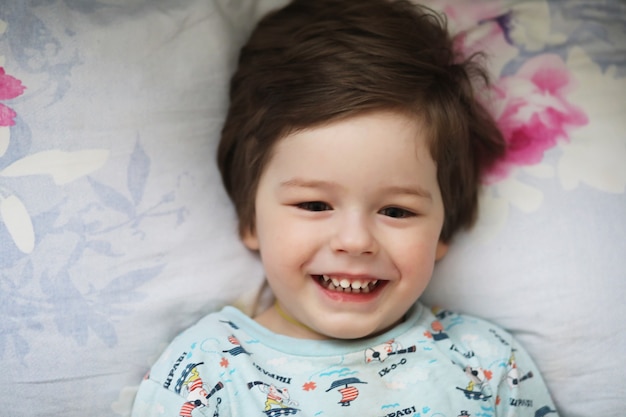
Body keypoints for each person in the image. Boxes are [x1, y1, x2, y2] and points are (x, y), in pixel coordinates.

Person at [131, 1, 559, 416]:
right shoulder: (204, 373)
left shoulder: (485, 361)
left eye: (396, 211)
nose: (355, 241)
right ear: (250, 219)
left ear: (442, 232)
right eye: (315, 204)